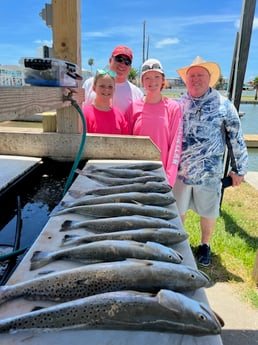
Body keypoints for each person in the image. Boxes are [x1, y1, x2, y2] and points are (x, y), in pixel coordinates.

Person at [173, 56, 248, 266]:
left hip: (210, 173)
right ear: (186, 80)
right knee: (178, 210)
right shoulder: (178, 104)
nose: (196, 79)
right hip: (181, 171)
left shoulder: (224, 105)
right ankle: (179, 243)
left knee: (209, 210)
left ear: (210, 79)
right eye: (192, 76)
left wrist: (239, 169)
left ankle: (205, 245)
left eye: (200, 75)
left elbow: (236, 138)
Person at [125, 58, 183, 187]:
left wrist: (169, 178)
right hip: (135, 173)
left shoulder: (173, 108)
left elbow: (175, 145)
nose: (152, 82)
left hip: (160, 175)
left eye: (157, 76)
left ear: (163, 80)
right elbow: (127, 143)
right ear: (142, 82)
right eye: (147, 78)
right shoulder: (133, 108)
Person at [83, 45, 143, 113]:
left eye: (127, 62)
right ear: (110, 60)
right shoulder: (89, 84)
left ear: (130, 67)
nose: (123, 64)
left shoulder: (137, 94)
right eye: (119, 59)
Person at [82, 69, 128, 134]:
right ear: (94, 88)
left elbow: (126, 141)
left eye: (110, 87)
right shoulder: (85, 114)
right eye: (102, 86)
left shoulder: (119, 115)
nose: (106, 90)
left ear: (114, 90)